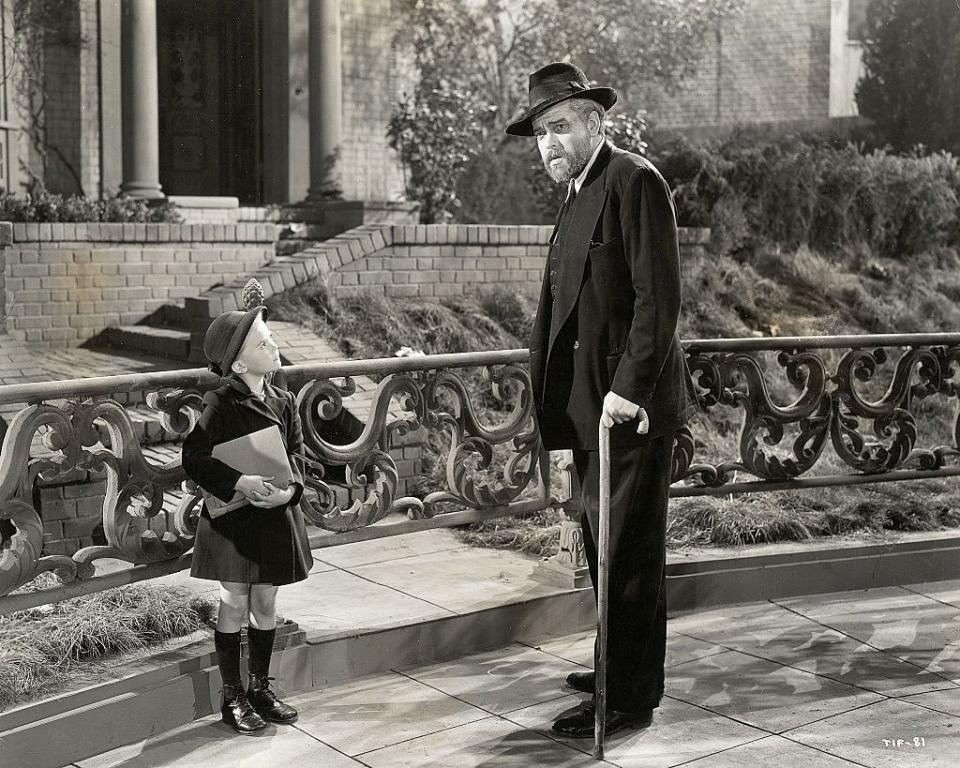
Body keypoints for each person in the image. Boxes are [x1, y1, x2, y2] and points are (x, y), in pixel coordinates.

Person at [506, 62, 699, 738]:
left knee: (628, 555)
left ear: (594, 122)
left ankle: (624, 695)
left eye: (559, 128)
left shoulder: (633, 182)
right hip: (589, 409)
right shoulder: (578, 193)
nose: (548, 144)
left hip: (628, 410)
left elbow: (658, 300)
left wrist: (627, 391)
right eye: (539, 134)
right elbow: (564, 310)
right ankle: (614, 661)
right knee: (600, 548)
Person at [182, 300, 313, 735]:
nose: (273, 345)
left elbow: (296, 457)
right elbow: (195, 458)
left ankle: (259, 687)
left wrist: (290, 493)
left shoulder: (284, 399)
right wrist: (238, 481)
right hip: (235, 523)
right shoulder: (219, 403)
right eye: (264, 342)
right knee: (234, 600)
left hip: (272, 517)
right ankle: (232, 694)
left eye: (270, 338)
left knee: (265, 601)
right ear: (239, 363)